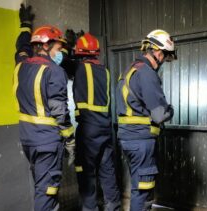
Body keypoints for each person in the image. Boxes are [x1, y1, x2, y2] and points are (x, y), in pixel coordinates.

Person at [13, 4, 75, 211]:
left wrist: (25, 25)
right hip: (47, 141)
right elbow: (59, 112)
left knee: (42, 186)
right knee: (47, 192)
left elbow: (21, 47)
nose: (61, 54)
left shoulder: (21, 64)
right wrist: (70, 139)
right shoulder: (55, 72)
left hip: (28, 139)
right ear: (46, 46)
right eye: (58, 49)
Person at [116, 29, 176, 211]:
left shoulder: (130, 70)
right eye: (165, 57)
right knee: (143, 193)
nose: (164, 62)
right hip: (141, 141)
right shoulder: (147, 73)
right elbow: (160, 115)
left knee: (138, 188)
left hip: (128, 139)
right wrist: (170, 110)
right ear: (158, 52)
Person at [72, 32, 121, 211]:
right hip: (104, 128)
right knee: (107, 172)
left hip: (88, 130)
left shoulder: (79, 68)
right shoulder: (105, 71)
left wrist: (70, 48)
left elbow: (60, 62)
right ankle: (113, 207)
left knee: (87, 175)